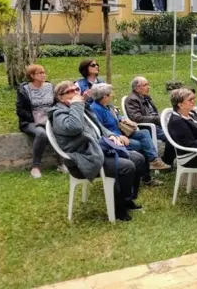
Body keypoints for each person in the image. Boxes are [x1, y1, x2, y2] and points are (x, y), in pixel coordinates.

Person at [49, 81, 139, 221]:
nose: (75, 93)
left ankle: (126, 199)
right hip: (83, 158)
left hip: (98, 150)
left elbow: (99, 128)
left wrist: (112, 135)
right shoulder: (58, 114)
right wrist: (77, 105)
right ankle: (118, 207)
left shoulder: (82, 109)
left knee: (137, 158)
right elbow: (75, 128)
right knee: (127, 166)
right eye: (70, 91)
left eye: (76, 89)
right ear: (61, 98)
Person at [90, 83, 170, 172]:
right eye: (111, 93)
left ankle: (153, 161)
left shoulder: (109, 105)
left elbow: (117, 116)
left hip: (122, 133)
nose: (113, 94)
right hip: (112, 140)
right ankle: (145, 173)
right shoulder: (95, 109)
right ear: (105, 97)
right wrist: (118, 137)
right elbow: (100, 129)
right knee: (139, 144)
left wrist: (124, 119)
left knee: (144, 133)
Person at [16, 64, 58, 179]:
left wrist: (51, 117)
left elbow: (56, 104)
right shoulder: (24, 89)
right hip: (31, 121)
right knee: (41, 133)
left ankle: (63, 163)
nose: (43, 75)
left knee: (59, 130)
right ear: (32, 75)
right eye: (40, 73)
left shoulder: (50, 86)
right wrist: (36, 119)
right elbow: (20, 110)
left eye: (44, 72)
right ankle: (35, 167)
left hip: (49, 120)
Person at [124, 76, 176, 164]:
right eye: (145, 85)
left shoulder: (145, 97)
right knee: (172, 136)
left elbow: (153, 112)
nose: (148, 87)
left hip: (157, 124)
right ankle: (167, 161)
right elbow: (136, 118)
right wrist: (156, 119)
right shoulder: (132, 99)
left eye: (148, 84)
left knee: (178, 131)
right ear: (137, 88)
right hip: (149, 127)